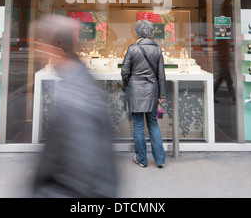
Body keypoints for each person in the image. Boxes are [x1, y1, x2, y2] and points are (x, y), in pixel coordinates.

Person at [32, 14, 117, 198]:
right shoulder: (79, 83)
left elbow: (81, 177)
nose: (38, 49)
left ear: (56, 49)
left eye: (41, 43)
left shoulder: (76, 99)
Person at [121, 20, 167, 168]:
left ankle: (141, 158)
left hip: (135, 90)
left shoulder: (132, 49)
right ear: (151, 32)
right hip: (152, 91)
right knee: (153, 124)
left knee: (138, 125)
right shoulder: (158, 50)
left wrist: (128, 85)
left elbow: (124, 71)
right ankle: (160, 160)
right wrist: (162, 94)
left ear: (138, 32)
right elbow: (161, 75)